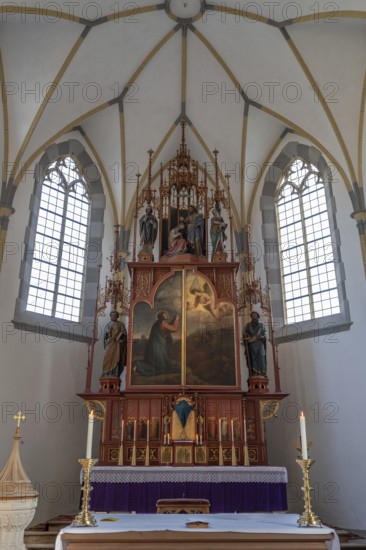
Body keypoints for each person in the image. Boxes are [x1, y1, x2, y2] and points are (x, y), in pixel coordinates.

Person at [135, 310, 180, 376]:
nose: (166, 315)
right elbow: (174, 329)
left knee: (161, 364)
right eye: (164, 314)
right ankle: (139, 367)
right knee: (161, 368)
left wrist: (173, 320)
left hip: (157, 346)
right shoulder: (162, 324)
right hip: (159, 347)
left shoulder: (158, 323)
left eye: (165, 314)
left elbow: (168, 325)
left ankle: (139, 367)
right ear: (162, 317)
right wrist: (176, 320)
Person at [101, 310, 127, 378]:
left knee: (117, 357)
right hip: (109, 342)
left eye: (115, 315)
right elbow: (105, 335)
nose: (113, 317)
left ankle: (114, 373)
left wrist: (119, 338)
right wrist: (107, 333)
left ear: (117, 316)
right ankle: (106, 373)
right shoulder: (108, 324)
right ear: (110, 316)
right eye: (112, 315)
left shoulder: (120, 324)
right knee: (107, 357)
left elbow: (124, 333)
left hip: (117, 343)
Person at [243, 311, 267, 377]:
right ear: (251, 317)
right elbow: (245, 333)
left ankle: (262, 372)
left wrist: (263, 336)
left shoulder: (261, 324)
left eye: (255, 315)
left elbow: (265, 333)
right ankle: (255, 372)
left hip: (260, 342)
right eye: (253, 315)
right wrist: (246, 336)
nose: (254, 316)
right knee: (253, 357)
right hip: (252, 343)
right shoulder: (248, 325)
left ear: (258, 316)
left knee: (262, 355)